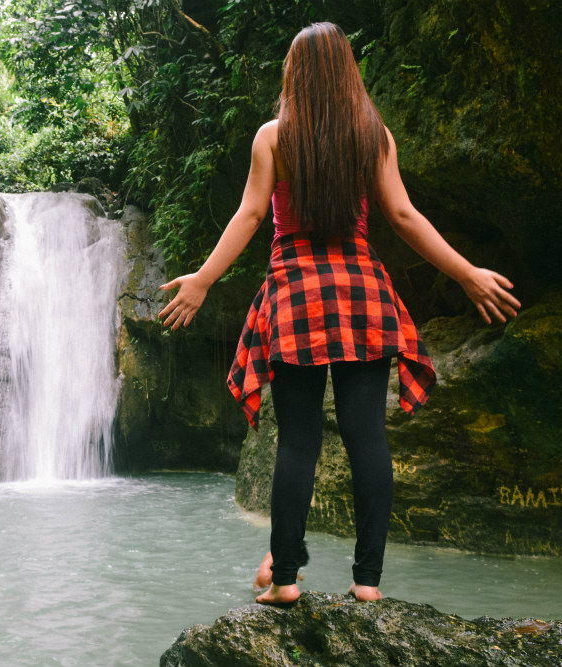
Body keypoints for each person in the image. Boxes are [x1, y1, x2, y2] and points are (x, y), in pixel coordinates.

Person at [158, 22, 520, 605]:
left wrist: (203, 281)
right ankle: (368, 583)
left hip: (297, 295)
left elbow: (251, 217)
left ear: (293, 74)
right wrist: (467, 272)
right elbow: (403, 217)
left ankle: (285, 582)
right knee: (367, 438)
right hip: (361, 294)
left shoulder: (273, 138)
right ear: (349, 72)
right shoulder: (372, 136)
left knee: (298, 442)